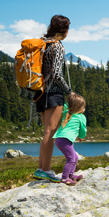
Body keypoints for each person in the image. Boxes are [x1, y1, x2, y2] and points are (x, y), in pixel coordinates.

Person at [32, 14, 73, 182]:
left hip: (40, 93)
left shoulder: (44, 44)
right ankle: (46, 170)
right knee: (51, 131)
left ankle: (41, 168)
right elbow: (56, 73)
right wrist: (68, 91)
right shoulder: (58, 46)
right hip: (53, 93)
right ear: (64, 30)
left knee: (46, 132)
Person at [53, 93, 87, 186]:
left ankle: (70, 175)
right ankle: (64, 178)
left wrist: (71, 97)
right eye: (83, 106)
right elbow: (83, 130)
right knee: (71, 159)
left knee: (74, 157)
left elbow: (66, 105)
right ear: (79, 107)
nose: (84, 109)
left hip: (59, 139)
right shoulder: (81, 117)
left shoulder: (66, 113)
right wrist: (81, 136)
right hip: (65, 140)